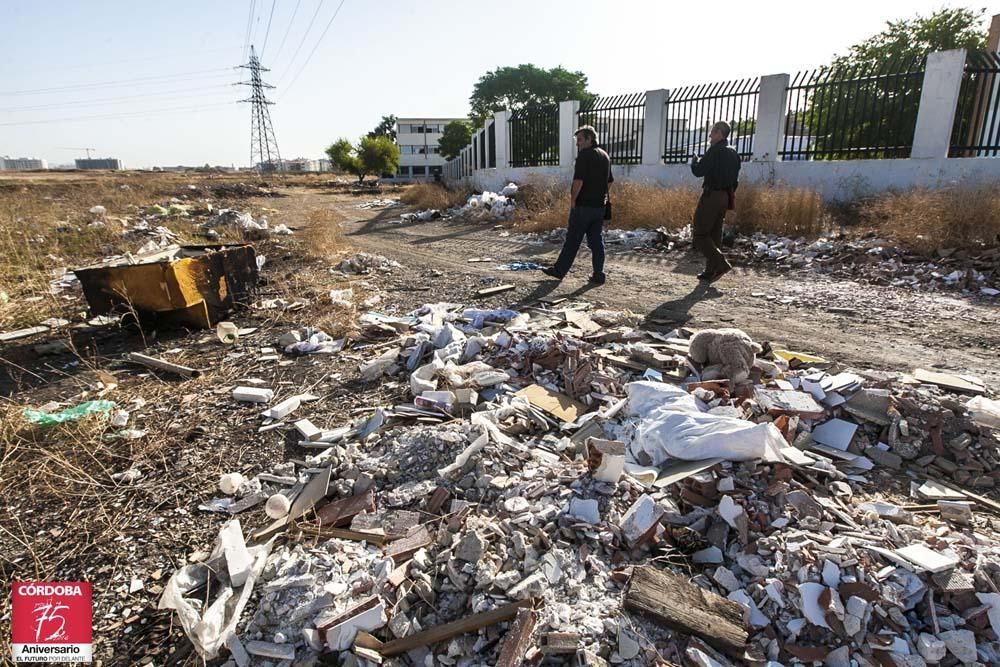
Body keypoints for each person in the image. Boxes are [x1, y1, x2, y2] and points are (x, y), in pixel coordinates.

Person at [541, 125, 613, 284]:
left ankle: (559, 271)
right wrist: (600, 195)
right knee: (596, 241)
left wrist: (573, 200)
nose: (577, 144)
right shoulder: (604, 156)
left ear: (589, 139)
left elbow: (578, 181)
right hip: (599, 207)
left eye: (580, 140)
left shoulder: (584, 156)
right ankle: (598, 273)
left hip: (583, 207)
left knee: (573, 240)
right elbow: (609, 182)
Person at [690, 121, 741, 283]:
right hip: (726, 197)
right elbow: (736, 180)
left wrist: (694, 161)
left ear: (719, 133)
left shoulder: (714, 151)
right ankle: (710, 271)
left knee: (699, 234)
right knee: (714, 234)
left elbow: (699, 171)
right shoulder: (734, 153)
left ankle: (721, 264)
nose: (710, 136)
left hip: (711, 196)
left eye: (712, 132)